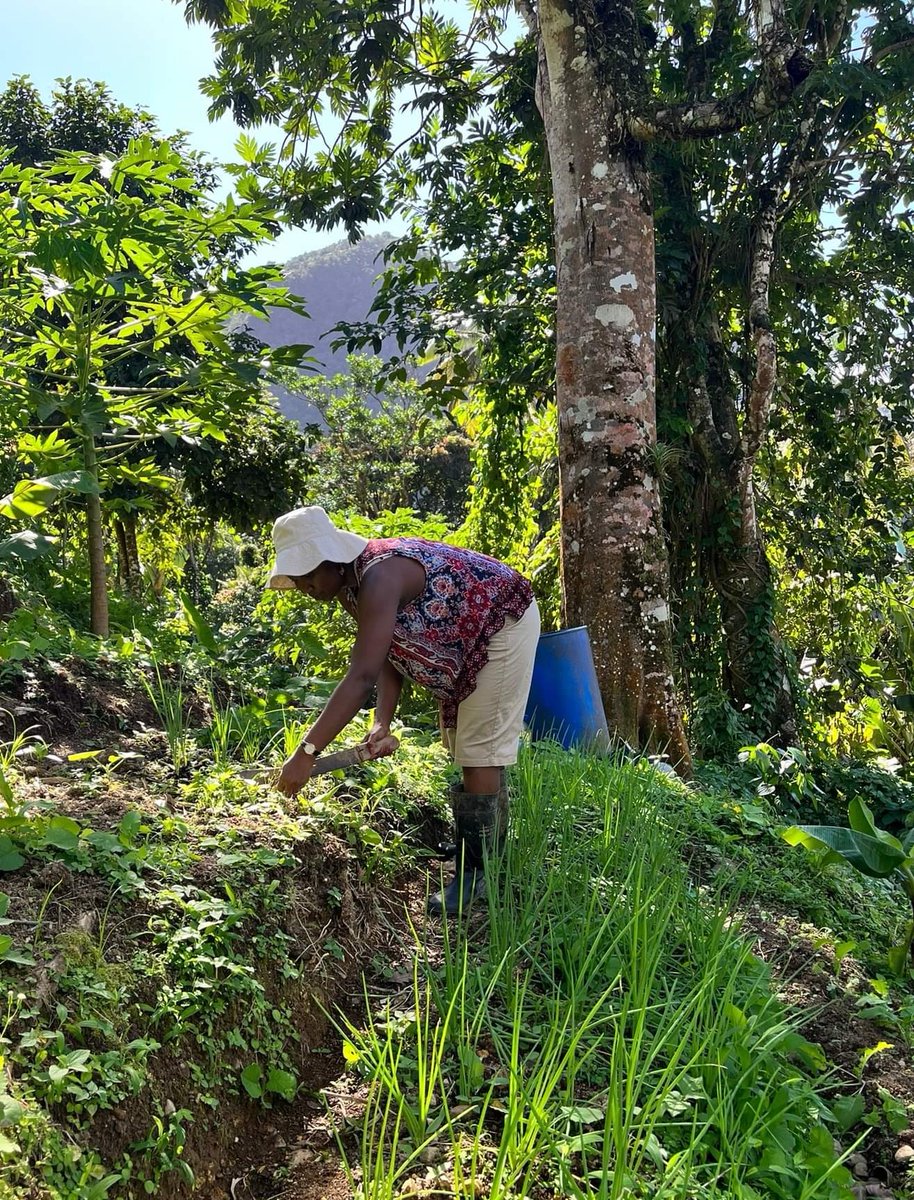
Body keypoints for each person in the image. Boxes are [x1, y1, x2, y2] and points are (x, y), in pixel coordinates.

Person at [269, 506, 541, 915]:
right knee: (464, 745)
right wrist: (382, 721)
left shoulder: (379, 577)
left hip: (503, 621)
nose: (305, 586)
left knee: (478, 751)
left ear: (332, 559)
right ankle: (481, 846)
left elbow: (360, 676)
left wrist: (306, 753)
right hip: (473, 635)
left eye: (308, 574)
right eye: (297, 578)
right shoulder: (351, 587)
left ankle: (478, 874)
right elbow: (385, 654)